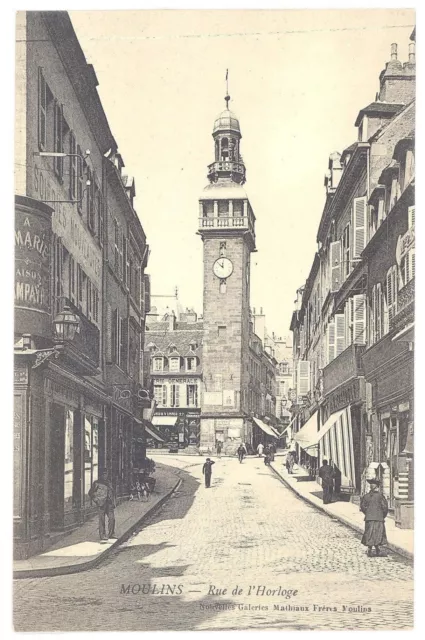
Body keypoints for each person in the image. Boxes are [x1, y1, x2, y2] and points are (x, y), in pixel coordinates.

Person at [360, 478, 389, 557]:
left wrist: (367, 513)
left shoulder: (366, 496)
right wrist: (383, 515)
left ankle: (370, 548)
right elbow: (385, 507)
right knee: (378, 533)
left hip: (369, 518)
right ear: (377, 487)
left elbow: (362, 506)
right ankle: (377, 549)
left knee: (370, 533)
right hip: (379, 518)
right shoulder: (380, 496)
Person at [88, 469, 117, 543]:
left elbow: (113, 492)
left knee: (112, 519)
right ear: (101, 475)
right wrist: (96, 500)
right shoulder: (96, 483)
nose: (105, 475)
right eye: (104, 474)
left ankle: (111, 534)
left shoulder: (109, 482)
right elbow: (90, 493)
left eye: (106, 474)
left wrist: (114, 502)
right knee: (102, 520)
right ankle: (102, 535)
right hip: (101, 504)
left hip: (109, 503)